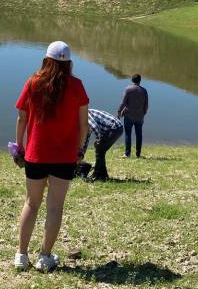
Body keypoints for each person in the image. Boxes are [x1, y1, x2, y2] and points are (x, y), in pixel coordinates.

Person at [13, 41, 89, 272]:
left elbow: (22, 118)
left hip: (35, 155)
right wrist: (79, 151)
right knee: (55, 207)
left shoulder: (34, 82)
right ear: (69, 63)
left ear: (46, 60)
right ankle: (45, 258)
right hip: (65, 157)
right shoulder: (77, 86)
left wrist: (19, 146)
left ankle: (22, 256)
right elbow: (83, 125)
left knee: (31, 203)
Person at [81, 109, 123, 181]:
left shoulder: (84, 115)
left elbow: (94, 126)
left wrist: (99, 140)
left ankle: (97, 175)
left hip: (115, 127)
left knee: (100, 149)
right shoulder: (83, 121)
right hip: (113, 128)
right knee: (101, 151)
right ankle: (102, 175)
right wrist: (81, 154)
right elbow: (86, 138)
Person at [118, 74, 149, 158]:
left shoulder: (128, 89)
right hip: (139, 117)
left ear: (132, 80)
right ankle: (138, 154)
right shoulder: (144, 91)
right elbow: (146, 106)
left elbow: (123, 103)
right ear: (140, 81)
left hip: (128, 116)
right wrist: (143, 114)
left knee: (128, 134)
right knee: (139, 135)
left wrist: (119, 112)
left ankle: (127, 154)